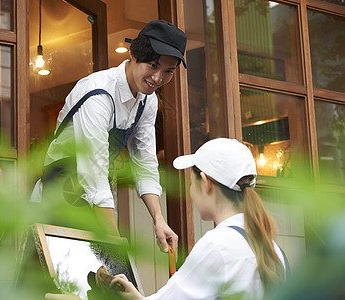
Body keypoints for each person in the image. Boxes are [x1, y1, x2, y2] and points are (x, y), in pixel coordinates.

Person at [30, 20, 187, 254]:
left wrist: (159, 219)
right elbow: (93, 172)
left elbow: (144, 163)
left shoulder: (147, 100)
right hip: (56, 199)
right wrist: (113, 243)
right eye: (153, 65)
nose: (157, 78)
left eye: (168, 72)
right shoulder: (97, 95)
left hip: (93, 201)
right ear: (134, 55)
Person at [112, 138, 288, 299]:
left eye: (190, 183)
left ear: (205, 182)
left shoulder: (217, 245)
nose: (190, 192)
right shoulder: (274, 249)